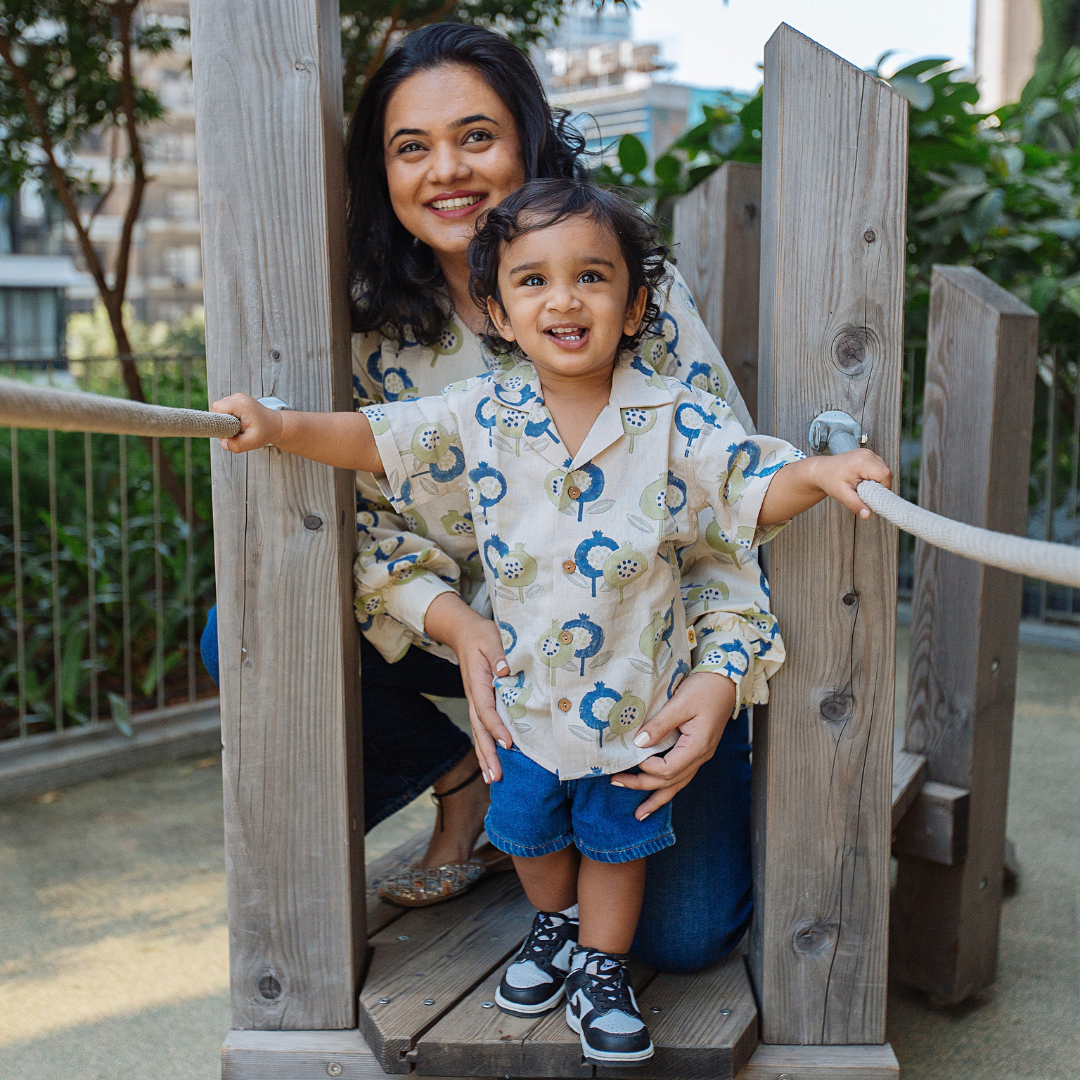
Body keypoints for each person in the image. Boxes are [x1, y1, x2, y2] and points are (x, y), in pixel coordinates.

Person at [209, 179, 893, 1064]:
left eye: (592, 278)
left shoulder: (674, 417)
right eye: (532, 282)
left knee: (618, 844)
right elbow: (378, 441)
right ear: (496, 310)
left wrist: (824, 476)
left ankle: (601, 971)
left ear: (635, 302)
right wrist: (278, 425)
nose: (563, 299)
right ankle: (556, 927)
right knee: (527, 832)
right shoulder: (482, 413)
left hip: (632, 705)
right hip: (524, 699)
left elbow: (750, 483)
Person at [205, 22, 774, 964]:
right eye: (410, 147)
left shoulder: (630, 299)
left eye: (476, 136)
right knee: (243, 626)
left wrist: (716, 679)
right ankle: (464, 773)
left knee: (682, 940)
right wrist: (461, 632)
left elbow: (728, 513)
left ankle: (555, 812)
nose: (447, 171)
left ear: (528, 141)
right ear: (381, 174)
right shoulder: (368, 333)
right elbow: (368, 535)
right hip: (480, 640)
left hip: (635, 651)